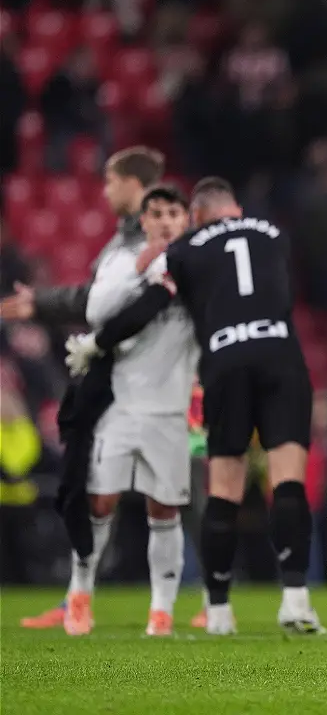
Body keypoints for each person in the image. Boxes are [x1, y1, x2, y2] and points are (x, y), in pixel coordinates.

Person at [65, 177, 324, 635]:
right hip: (281, 355)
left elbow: (148, 304)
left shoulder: (185, 251)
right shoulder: (271, 232)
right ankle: (297, 602)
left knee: (223, 490)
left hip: (225, 360)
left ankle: (219, 611)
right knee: (287, 485)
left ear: (197, 216)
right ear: (236, 208)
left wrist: (97, 343)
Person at [3, 146, 162, 631]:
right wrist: (46, 303)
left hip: (163, 383)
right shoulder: (118, 246)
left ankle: (212, 597)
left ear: (133, 184)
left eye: (111, 182)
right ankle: (78, 597)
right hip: (122, 382)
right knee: (98, 487)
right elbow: (93, 300)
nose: (104, 191)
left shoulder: (159, 242)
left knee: (183, 492)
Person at [59, 186, 197, 636]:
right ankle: (80, 594)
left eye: (172, 213)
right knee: (99, 501)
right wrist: (139, 273)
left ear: (186, 218)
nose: (163, 221)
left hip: (171, 406)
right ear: (144, 219)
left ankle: (161, 612)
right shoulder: (122, 259)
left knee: (165, 509)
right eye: (154, 213)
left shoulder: (198, 265)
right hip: (120, 402)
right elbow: (98, 311)